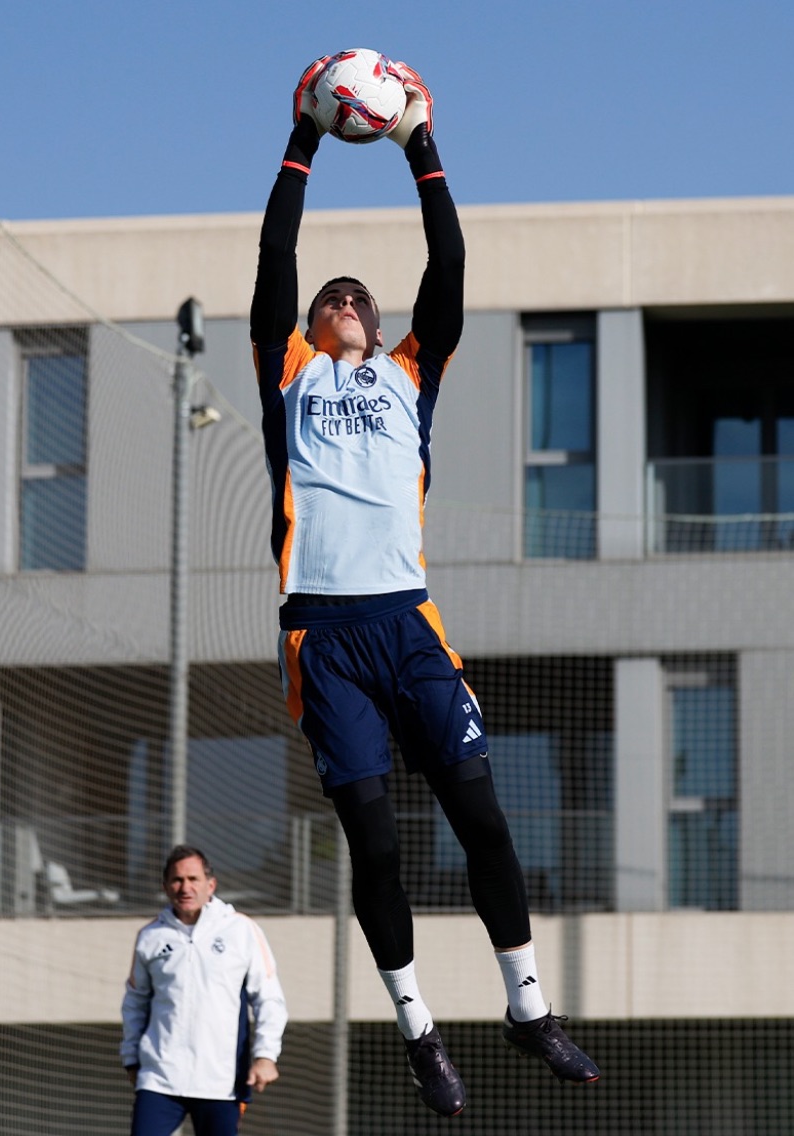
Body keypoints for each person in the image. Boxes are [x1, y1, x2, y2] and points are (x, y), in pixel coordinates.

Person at [249, 58, 600, 1119]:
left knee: (482, 819)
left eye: (359, 293)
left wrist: (419, 142)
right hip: (327, 634)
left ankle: (527, 1006)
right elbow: (276, 253)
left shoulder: (410, 373)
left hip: (408, 625)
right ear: (310, 326)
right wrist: (303, 137)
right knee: (379, 840)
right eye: (329, 297)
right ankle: (419, 1030)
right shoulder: (288, 376)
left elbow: (448, 253)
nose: (344, 298)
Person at [120, 845, 287, 1136]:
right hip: (159, 1078)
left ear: (211, 885)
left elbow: (269, 998)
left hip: (221, 1082)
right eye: (177, 880)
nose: (185, 887)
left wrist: (266, 1056)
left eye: (193, 879)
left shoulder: (242, 930)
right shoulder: (150, 936)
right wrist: (131, 1057)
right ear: (165, 886)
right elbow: (135, 1002)